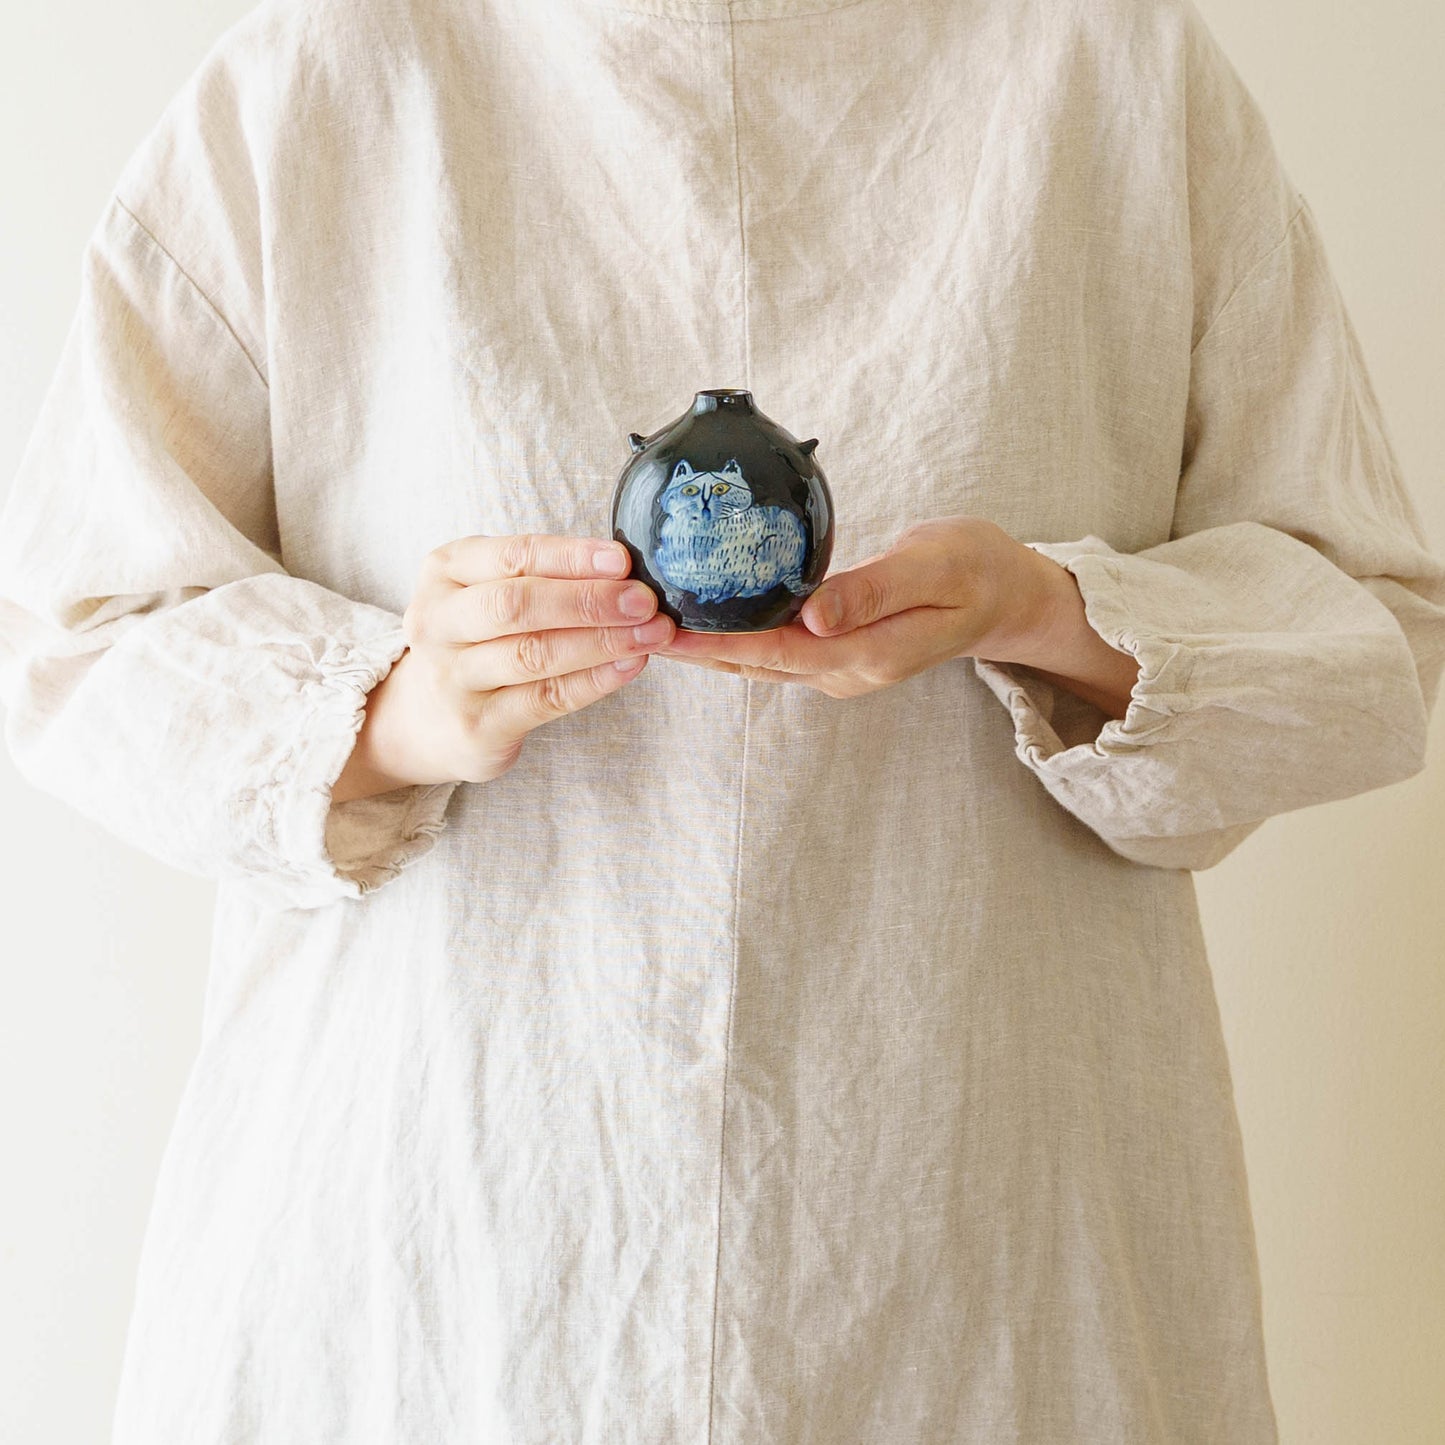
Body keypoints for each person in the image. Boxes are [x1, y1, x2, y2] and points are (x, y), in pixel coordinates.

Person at [2, 0, 1442, 1438]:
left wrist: (1046, 612)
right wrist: (404, 707)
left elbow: (1365, 631)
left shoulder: (1115, 72)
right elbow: (77, 630)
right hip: (445, 1241)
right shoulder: (324, 79)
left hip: (985, 1232)